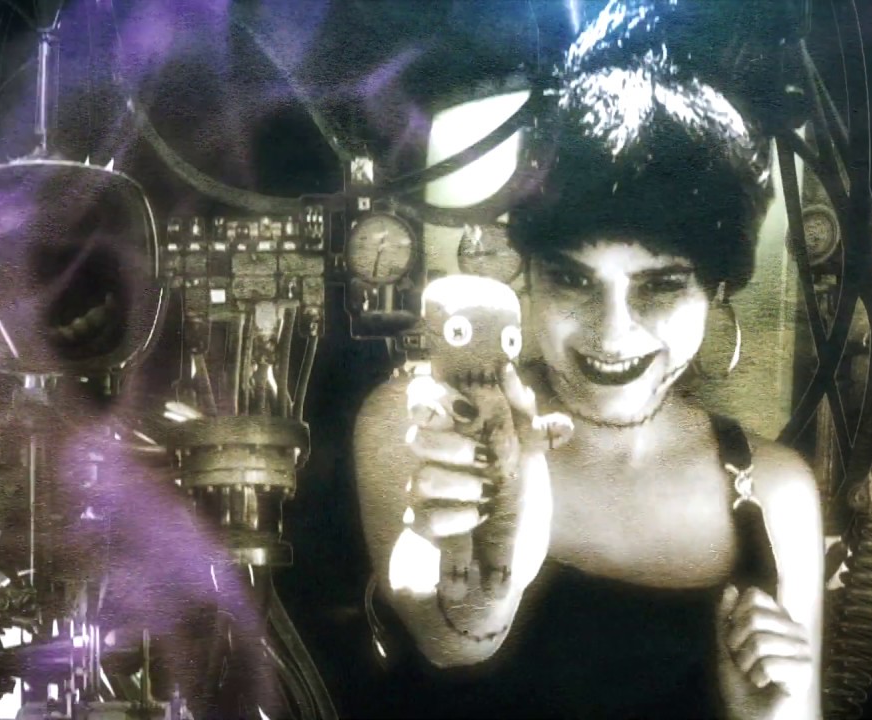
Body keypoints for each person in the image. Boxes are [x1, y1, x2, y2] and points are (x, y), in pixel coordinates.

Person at [352, 3, 824, 717]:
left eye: (660, 285)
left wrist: (766, 714)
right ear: (528, 276)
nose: (612, 332)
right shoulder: (423, 425)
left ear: (717, 289)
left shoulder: (775, 494)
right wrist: (492, 550)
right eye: (573, 279)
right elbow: (454, 641)